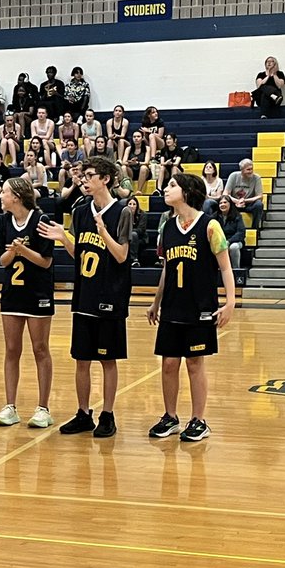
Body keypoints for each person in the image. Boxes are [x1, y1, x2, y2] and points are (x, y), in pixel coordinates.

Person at [38, 156, 132, 438]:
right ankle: (83, 413)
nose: (83, 179)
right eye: (83, 175)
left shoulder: (122, 212)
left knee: (107, 360)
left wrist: (103, 231)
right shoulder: (80, 212)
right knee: (81, 359)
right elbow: (78, 254)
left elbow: (121, 256)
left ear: (105, 179)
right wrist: (64, 238)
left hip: (111, 295)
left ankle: (108, 414)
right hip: (84, 295)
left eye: (89, 175)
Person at [146, 173, 237, 442]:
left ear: (187, 192)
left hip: (200, 307)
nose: (166, 189)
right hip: (173, 306)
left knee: (195, 364)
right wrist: (156, 300)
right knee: (168, 363)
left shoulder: (210, 226)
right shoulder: (167, 227)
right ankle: (170, 417)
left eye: (173, 185)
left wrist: (230, 302)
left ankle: (199, 420)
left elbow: (225, 267)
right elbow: (166, 268)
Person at [0, 176, 55, 428]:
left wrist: (23, 250)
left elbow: (46, 261)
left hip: (37, 293)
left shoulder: (41, 221)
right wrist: (12, 251)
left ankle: (43, 408)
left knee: (40, 349)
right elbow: (2, 261)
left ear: (16, 197)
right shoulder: (2, 222)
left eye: (4, 192)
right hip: (12, 294)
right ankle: (10, 406)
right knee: (11, 350)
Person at [225, 158, 265, 229]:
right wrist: (236, 201)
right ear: (242, 170)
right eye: (248, 169)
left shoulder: (257, 178)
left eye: (251, 169)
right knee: (222, 203)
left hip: (248, 204)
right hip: (234, 203)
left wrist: (244, 201)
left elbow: (260, 196)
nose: (251, 171)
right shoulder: (233, 176)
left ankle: (255, 229)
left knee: (259, 204)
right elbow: (225, 194)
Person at [213, 195, 246, 269]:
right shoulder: (215, 217)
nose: (222, 205)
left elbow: (241, 233)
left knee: (233, 247)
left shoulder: (237, 216)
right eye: (220, 203)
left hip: (235, 241)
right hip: (220, 241)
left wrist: (228, 241)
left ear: (230, 204)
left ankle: (236, 270)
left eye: (225, 202)